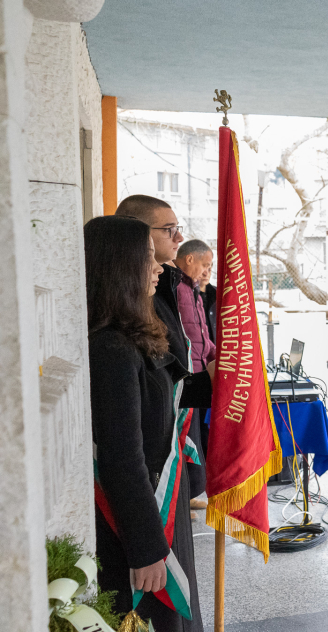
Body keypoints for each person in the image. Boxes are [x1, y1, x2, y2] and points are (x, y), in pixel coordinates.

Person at [84, 216, 202, 631]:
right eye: (148, 259)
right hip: (131, 530)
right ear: (119, 267)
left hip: (153, 510)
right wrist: (146, 548)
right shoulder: (109, 348)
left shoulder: (132, 333)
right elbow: (122, 457)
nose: (158, 269)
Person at [116, 196, 213, 509]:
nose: (179, 238)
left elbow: (170, 380)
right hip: (155, 465)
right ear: (136, 234)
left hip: (171, 447)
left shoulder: (166, 286)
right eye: (169, 230)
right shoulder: (134, 304)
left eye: (178, 228)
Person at [173, 240, 216, 376]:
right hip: (186, 372)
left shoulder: (193, 290)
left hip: (200, 370)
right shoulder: (174, 287)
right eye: (205, 265)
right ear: (190, 259)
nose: (206, 273)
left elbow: (200, 335)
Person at [199, 267, 216, 343]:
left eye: (209, 269)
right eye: (202, 269)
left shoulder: (218, 293)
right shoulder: (187, 295)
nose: (206, 274)